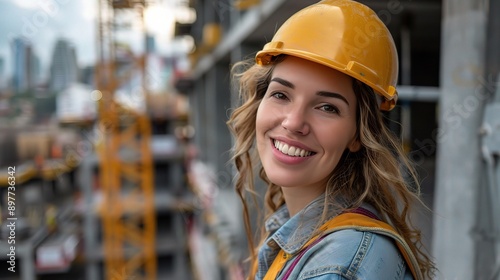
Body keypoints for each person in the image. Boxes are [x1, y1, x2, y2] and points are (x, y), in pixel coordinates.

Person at [227, 0, 436, 279]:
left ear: (358, 135)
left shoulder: (341, 263)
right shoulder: (301, 230)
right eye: (280, 94)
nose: (293, 122)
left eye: (327, 107)